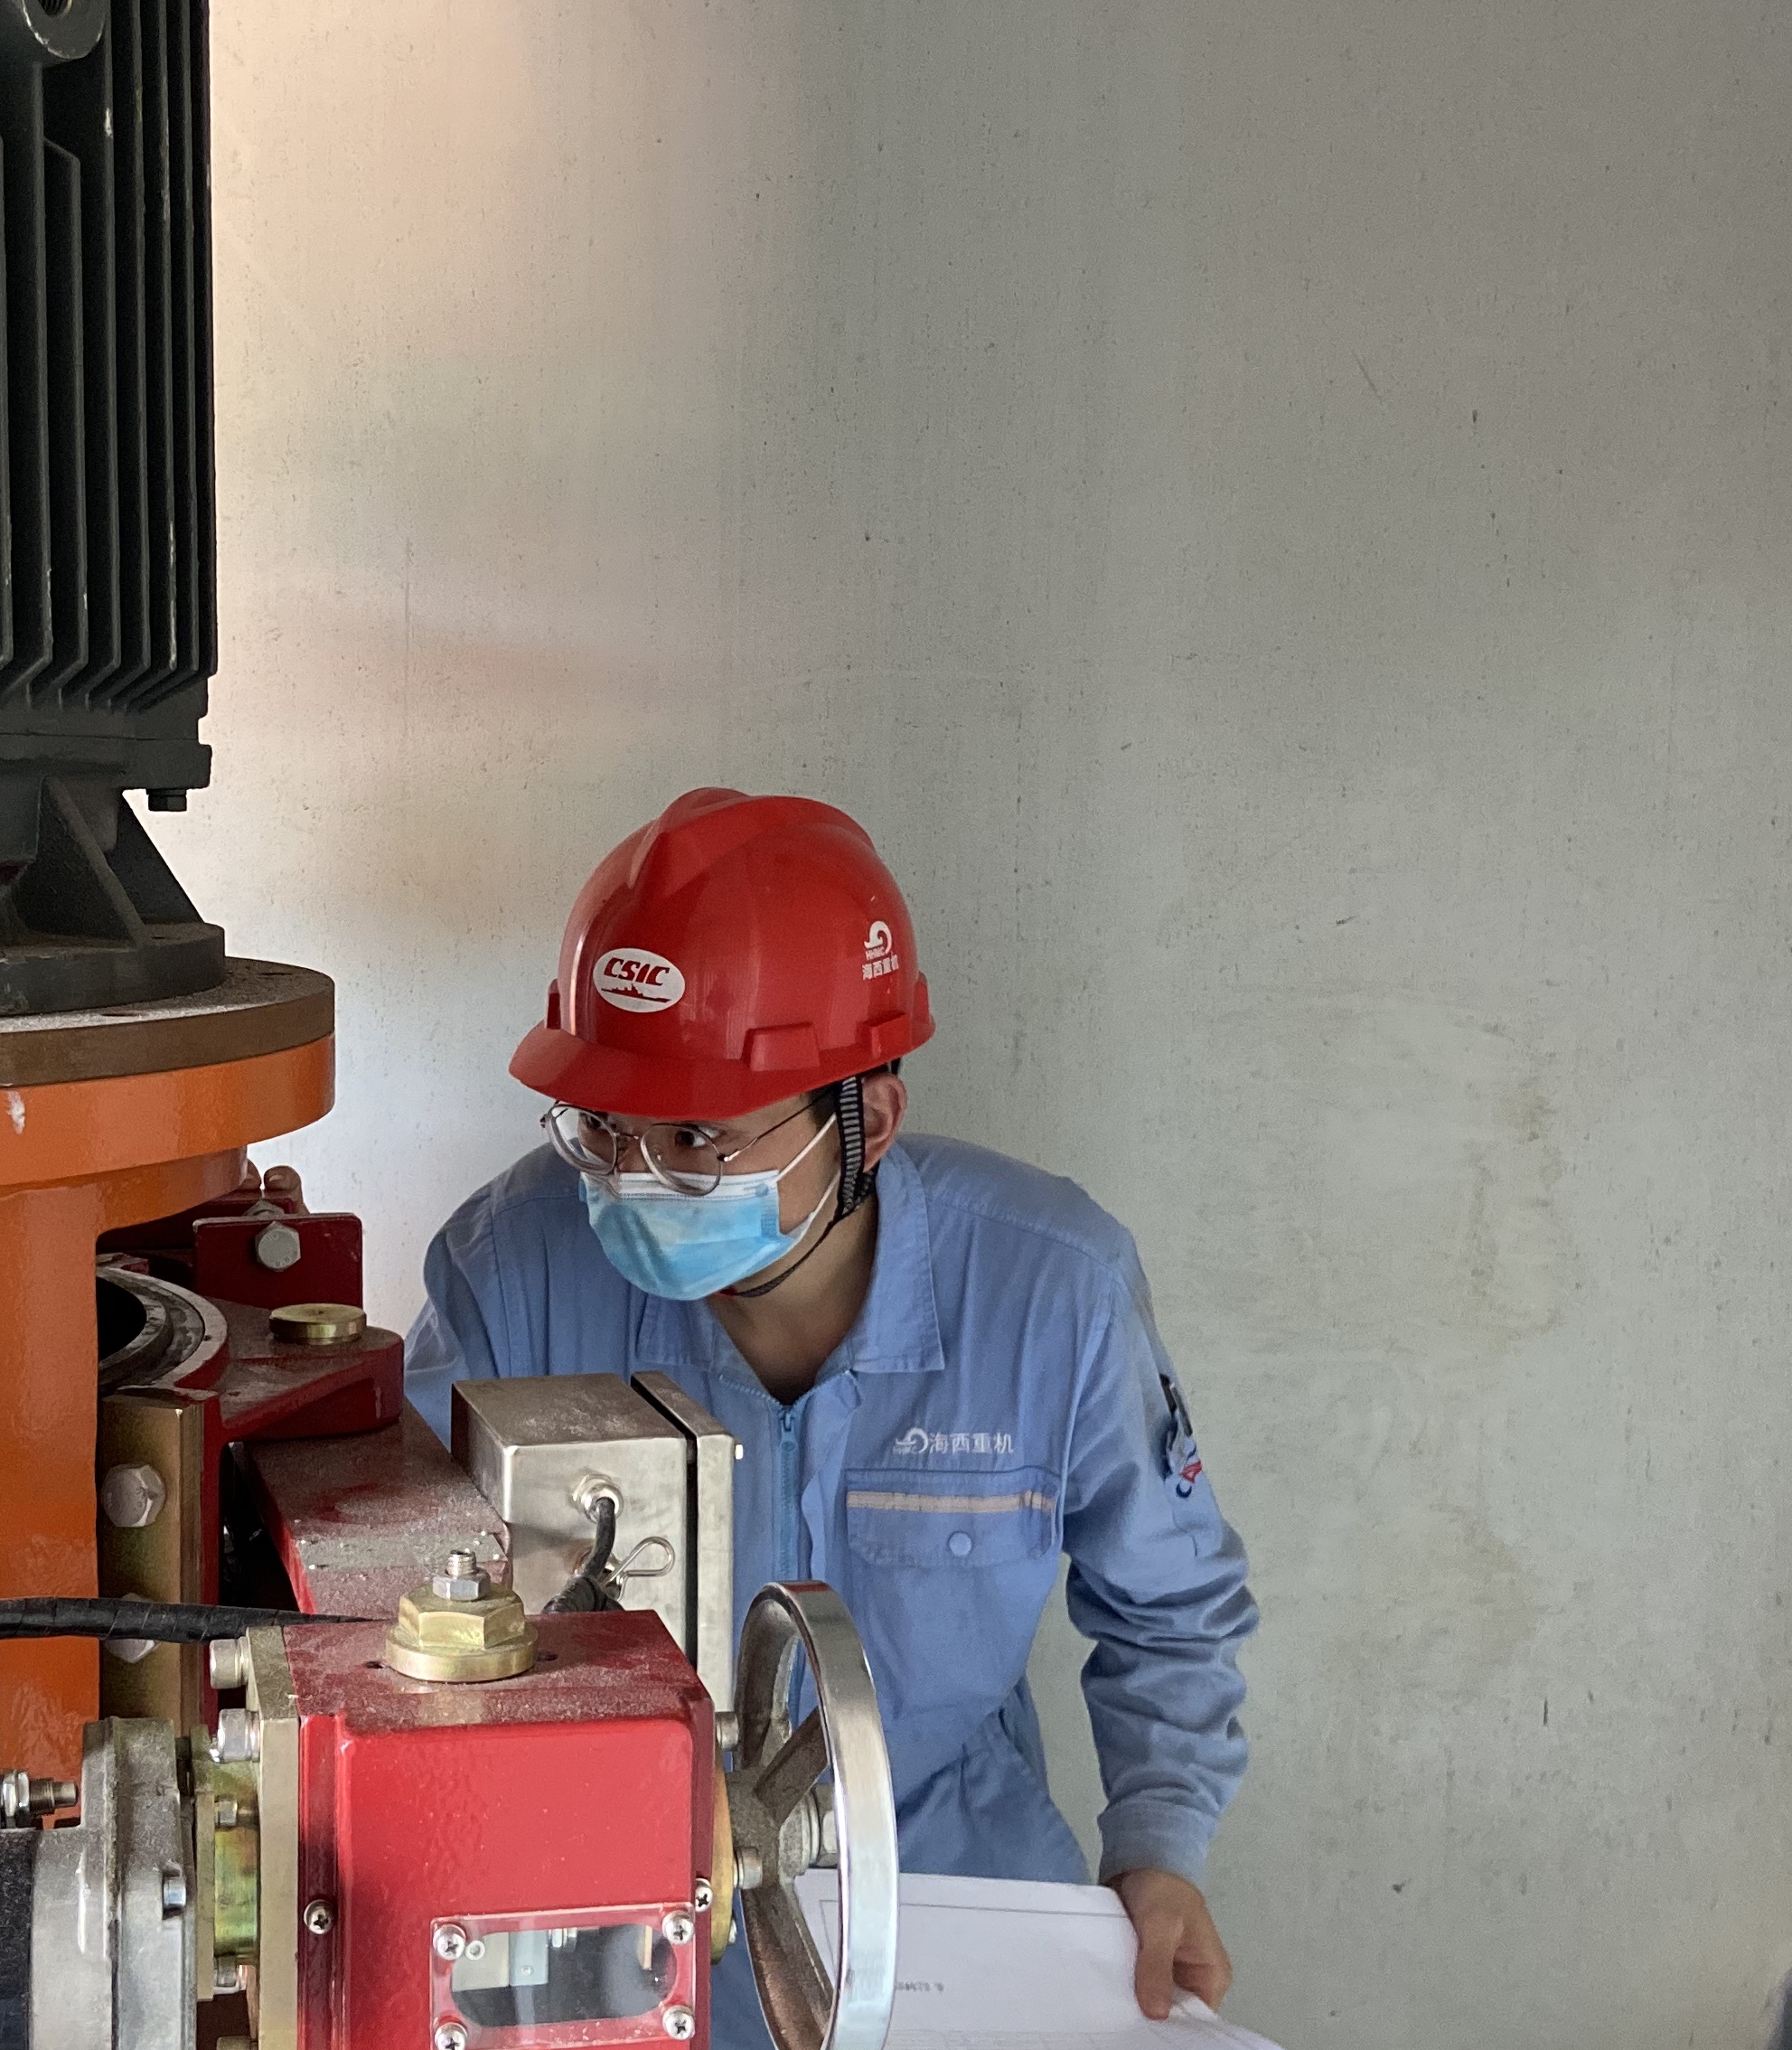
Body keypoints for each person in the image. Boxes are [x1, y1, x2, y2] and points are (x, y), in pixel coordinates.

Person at [399, 787, 1259, 2036]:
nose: (637, 1179)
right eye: (605, 1128)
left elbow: (1170, 1608)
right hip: (605, 1908)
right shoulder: (511, 1270)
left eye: (697, 1137)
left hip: (950, 1894)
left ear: (871, 1121)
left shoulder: (1050, 1293)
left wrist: (1160, 1848)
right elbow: (395, 1604)